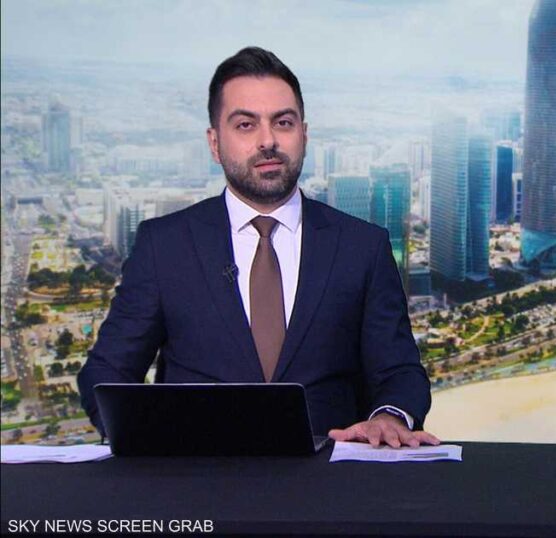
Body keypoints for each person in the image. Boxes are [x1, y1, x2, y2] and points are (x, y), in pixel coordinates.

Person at [78, 46, 438, 449]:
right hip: (196, 474)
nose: (268, 141)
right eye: (246, 125)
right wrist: (142, 440)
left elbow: (399, 372)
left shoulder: (363, 246)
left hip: (327, 479)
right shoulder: (164, 246)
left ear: (304, 134)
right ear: (215, 143)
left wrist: (389, 417)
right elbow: (106, 372)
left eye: (283, 122)